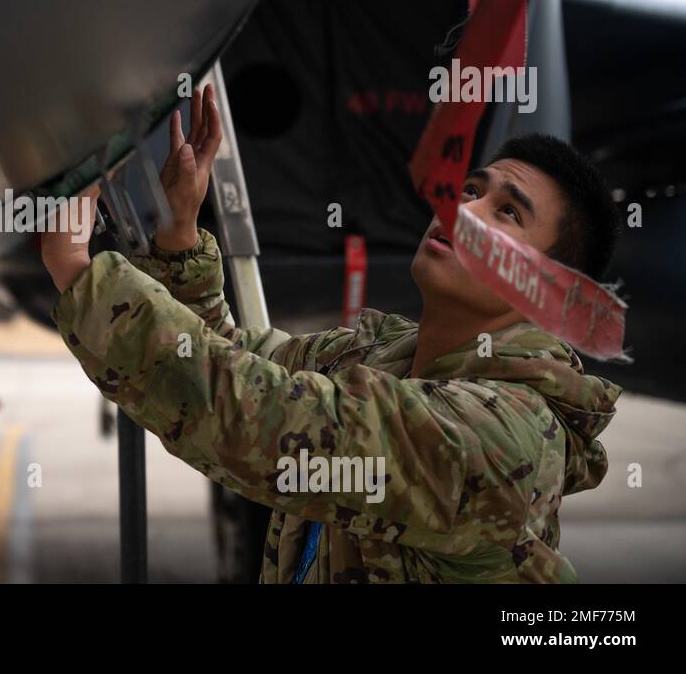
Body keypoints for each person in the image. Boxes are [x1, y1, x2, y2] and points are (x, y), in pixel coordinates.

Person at [39, 84, 622, 583]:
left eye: (508, 213)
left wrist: (78, 270)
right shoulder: (384, 354)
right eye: (470, 190)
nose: (463, 211)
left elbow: (262, 419)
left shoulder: (503, 438)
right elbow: (239, 359)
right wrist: (181, 238)